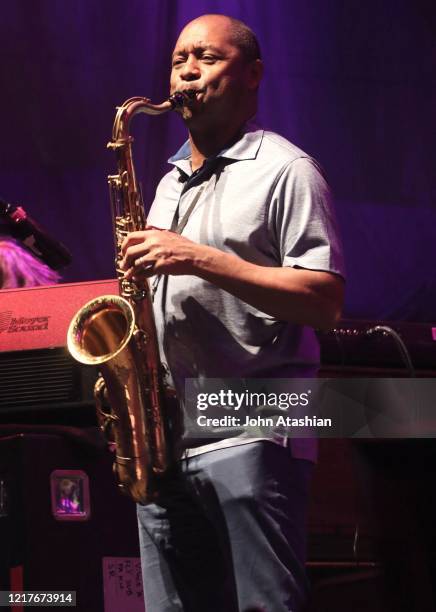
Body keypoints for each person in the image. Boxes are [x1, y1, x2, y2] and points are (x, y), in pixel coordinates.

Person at [120, 14, 345, 612]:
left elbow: (324, 301)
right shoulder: (168, 181)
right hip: (167, 436)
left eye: (207, 58)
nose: (187, 72)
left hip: (252, 421)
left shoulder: (286, 171)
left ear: (253, 75)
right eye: (178, 60)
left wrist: (200, 259)